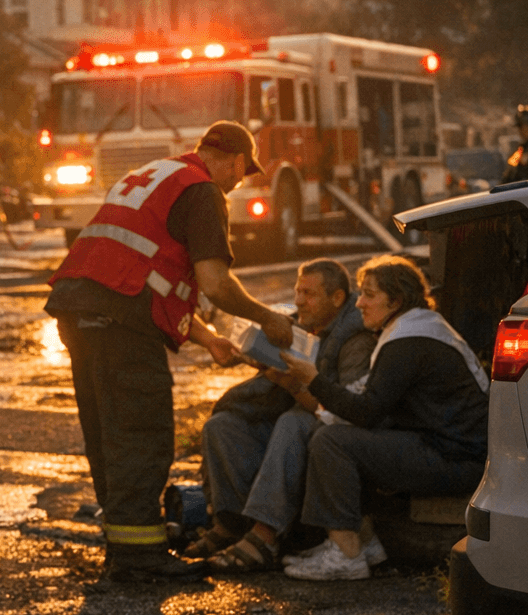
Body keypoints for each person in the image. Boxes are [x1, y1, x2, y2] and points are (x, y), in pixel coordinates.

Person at [45, 120, 295, 582]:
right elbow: (216, 284)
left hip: (81, 309)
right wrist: (269, 318)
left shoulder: (158, 174)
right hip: (120, 320)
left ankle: (126, 545)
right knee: (141, 433)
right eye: (243, 173)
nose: (239, 182)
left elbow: (152, 276)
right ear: (237, 161)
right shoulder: (204, 193)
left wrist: (209, 340)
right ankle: (140, 559)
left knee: (108, 432)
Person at [280, 254, 489, 581]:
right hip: (453, 449)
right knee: (339, 434)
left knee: (332, 442)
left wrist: (313, 380)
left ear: (397, 301)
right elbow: (369, 400)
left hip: (456, 459)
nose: (359, 303)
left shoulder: (408, 341)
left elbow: (366, 411)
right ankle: (364, 543)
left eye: (369, 294)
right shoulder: (415, 329)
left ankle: (346, 554)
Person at [191, 259, 378, 573]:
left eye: (310, 294)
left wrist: (292, 385)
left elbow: (341, 410)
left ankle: (264, 536)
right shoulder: (299, 322)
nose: (300, 301)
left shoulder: (355, 336)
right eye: (297, 291)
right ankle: (230, 524)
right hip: (291, 416)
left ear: (337, 298)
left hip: (328, 430)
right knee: (223, 426)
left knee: (294, 421)